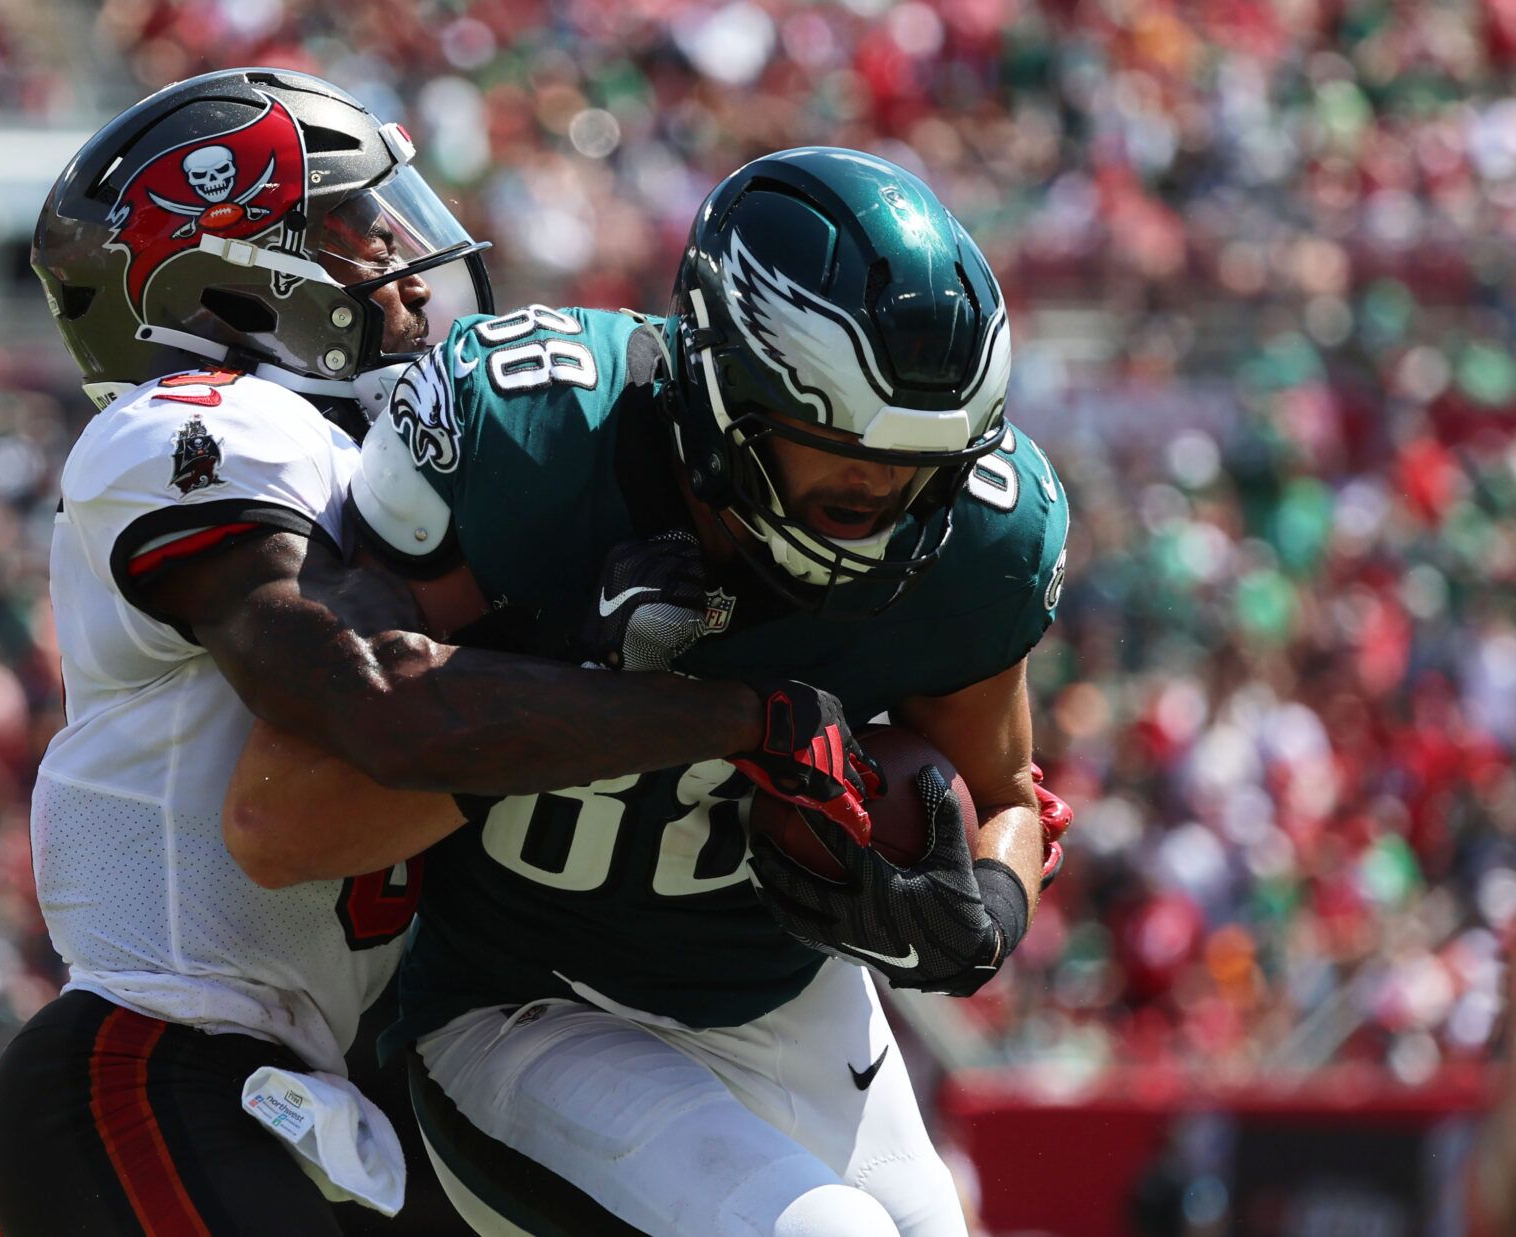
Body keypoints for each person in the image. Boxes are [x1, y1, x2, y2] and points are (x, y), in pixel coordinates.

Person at [0, 73, 876, 1236]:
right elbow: (367, 698)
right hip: (156, 1067)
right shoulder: (198, 426)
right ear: (229, 283)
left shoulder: (383, 465)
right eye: (357, 228)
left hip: (336, 1104)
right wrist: (705, 703)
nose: (405, 256)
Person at [227, 147, 1073, 1235]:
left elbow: (1004, 795)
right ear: (728, 395)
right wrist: (593, 703)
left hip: (790, 1001)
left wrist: (987, 906)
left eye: (920, 474)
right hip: (524, 1004)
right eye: (846, 466)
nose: (887, 506)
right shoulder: (531, 437)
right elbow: (278, 814)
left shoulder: (981, 539)